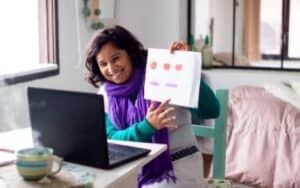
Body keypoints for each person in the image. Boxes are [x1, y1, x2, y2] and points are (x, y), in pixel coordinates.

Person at [85, 25, 220, 188]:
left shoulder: (163, 72)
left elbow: (212, 110)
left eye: (115, 58)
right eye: (103, 64)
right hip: (134, 170)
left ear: (130, 52)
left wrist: (186, 70)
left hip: (178, 167)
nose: (111, 68)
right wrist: (147, 126)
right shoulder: (105, 94)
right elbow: (111, 139)